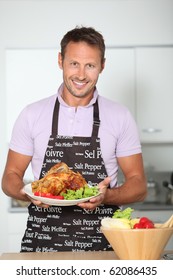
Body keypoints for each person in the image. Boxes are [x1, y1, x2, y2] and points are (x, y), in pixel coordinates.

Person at [1, 26, 147, 252]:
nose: (80, 74)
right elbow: (10, 176)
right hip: (42, 245)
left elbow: (139, 185)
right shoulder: (32, 114)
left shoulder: (120, 116)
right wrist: (25, 192)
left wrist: (107, 196)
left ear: (102, 66)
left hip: (104, 247)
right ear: (60, 61)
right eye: (74, 63)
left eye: (90, 65)